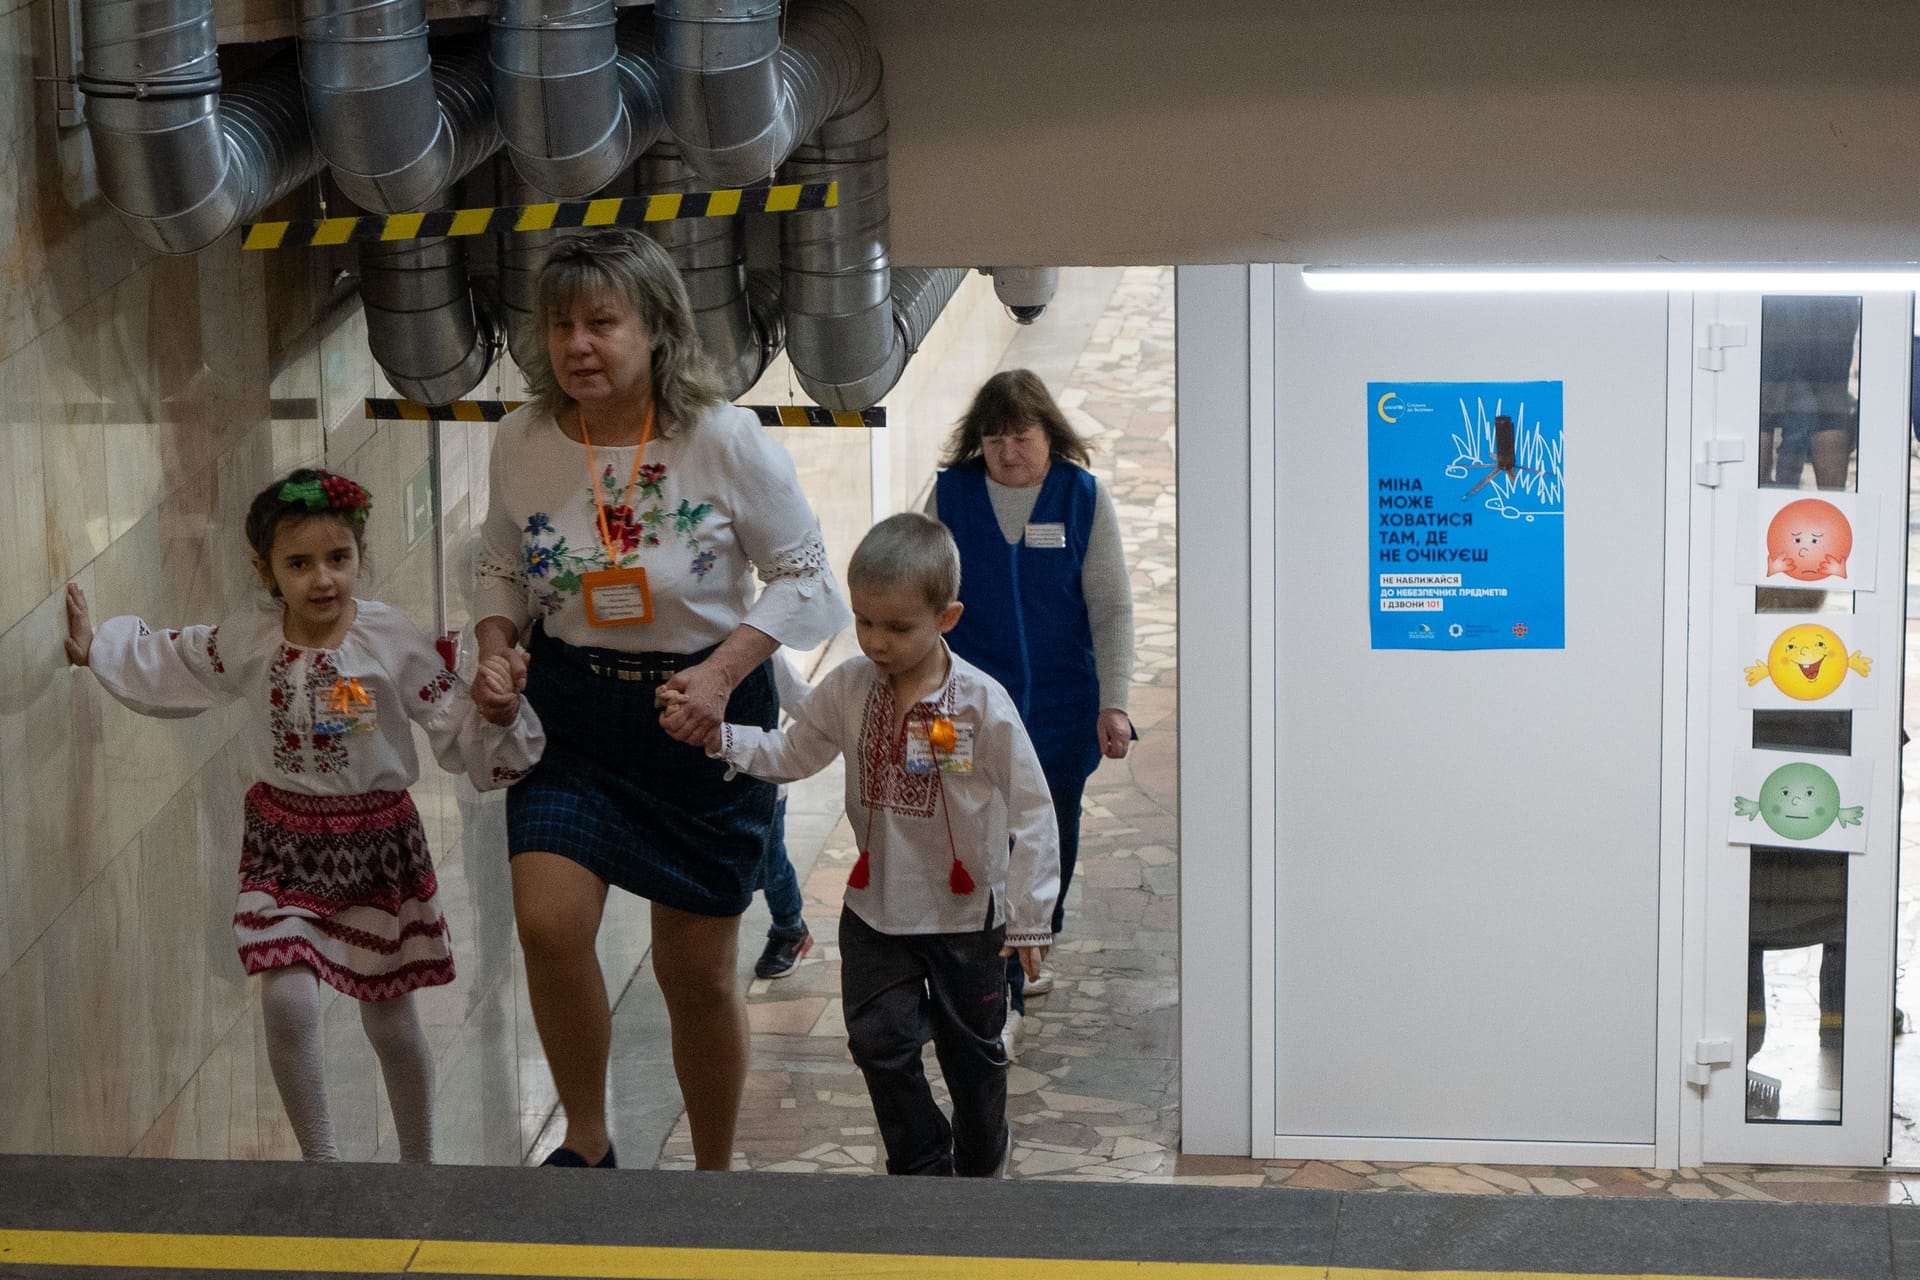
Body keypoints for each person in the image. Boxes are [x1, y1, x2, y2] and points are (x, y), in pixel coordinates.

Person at [469, 228, 849, 1170]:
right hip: (576, 716)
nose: (577, 346)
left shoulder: (722, 438)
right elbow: (499, 563)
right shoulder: (521, 442)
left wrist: (723, 674)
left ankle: (713, 1176)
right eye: (560, 325)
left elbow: (807, 579)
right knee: (549, 923)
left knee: (695, 975)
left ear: (658, 329)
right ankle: (588, 1142)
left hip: (704, 722)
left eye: (601, 322)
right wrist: (496, 645)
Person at [63, 468, 543, 1163]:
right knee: (287, 1003)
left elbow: (449, 709)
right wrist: (98, 650)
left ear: (359, 557)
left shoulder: (389, 638)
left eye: (338, 559)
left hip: (379, 844)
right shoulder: (252, 637)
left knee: (391, 1021)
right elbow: (183, 658)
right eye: (299, 563)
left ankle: (419, 1165)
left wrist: (498, 714)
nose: (322, 579)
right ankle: (323, 1167)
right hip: (282, 843)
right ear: (265, 570)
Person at [703, 513, 1059, 1177]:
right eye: (865, 622)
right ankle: (922, 1164)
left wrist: (1031, 914)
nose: (877, 641)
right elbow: (792, 751)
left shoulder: (980, 704)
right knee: (877, 1041)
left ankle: (982, 1162)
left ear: (946, 617)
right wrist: (720, 737)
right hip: (874, 913)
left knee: (972, 1054)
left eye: (898, 627)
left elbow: (1034, 808)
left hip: (964, 920)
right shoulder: (847, 688)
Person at [926, 369, 1136, 1056]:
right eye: (995, 440)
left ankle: (1028, 951)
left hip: (1061, 704)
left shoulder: (1081, 498)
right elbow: (921, 595)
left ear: (1050, 435)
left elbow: (1110, 607)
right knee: (972, 830)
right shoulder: (951, 497)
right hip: (964, 707)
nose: (1009, 452)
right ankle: (984, 964)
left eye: (1022, 437)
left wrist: (1114, 702)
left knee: (1047, 830)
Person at [754, 651, 814, 980]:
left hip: (763, 786)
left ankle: (790, 927)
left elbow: (807, 703)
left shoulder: (763, 654)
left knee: (770, 865)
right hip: (695, 787)